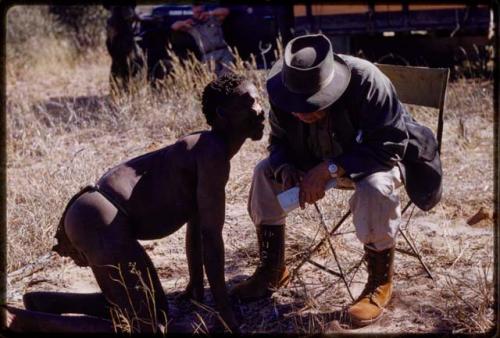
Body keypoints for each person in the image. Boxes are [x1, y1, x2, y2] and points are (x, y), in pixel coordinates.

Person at [5, 73, 265, 333]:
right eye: (249, 103)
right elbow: (211, 236)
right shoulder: (212, 152)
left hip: (98, 215)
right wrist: (224, 312)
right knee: (146, 328)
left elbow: (197, 222)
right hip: (101, 219)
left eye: (258, 100)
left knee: (156, 309)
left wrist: (197, 286)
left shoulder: (210, 151)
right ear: (222, 114)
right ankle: (19, 321)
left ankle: (45, 303)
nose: (260, 109)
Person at [230, 34, 442, 327]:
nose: (301, 112)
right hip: (318, 158)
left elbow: (390, 146)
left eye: (312, 104)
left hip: (378, 158)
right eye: (296, 105)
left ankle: (379, 285)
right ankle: (272, 269)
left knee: (374, 187)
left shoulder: (368, 83)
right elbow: (278, 141)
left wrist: (331, 168)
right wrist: (286, 167)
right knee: (263, 172)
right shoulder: (283, 87)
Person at [170, 4, 233, 76]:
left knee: (227, 76)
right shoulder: (192, 26)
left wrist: (209, 13)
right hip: (207, 56)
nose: (199, 14)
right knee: (212, 81)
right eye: (196, 12)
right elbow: (174, 27)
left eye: (200, 11)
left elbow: (226, 11)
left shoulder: (213, 19)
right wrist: (184, 23)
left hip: (222, 52)